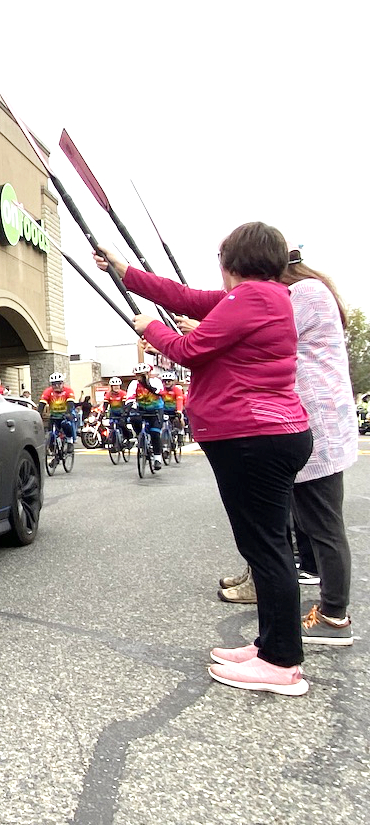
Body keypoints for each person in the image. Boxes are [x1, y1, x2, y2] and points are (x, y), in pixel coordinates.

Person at [95, 221, 312, 696]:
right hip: (267, 433)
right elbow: (186, 298)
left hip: (254, 435)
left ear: (232, 262)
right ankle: (271, 645)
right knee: (267, 546)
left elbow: (189, 349)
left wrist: (148, 327)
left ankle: (281, 662)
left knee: (266, 549)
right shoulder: (263, 297)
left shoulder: (253, 298)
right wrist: (123, 268)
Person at [218, 247, 357, 645]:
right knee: (300, 520)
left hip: (315, 422)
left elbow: (262, 333)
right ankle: (318, 603)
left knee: (323, 525)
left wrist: (206, 331)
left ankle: (334, 615)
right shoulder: (309, 292)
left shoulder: (307, 294)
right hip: (307, 419)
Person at [125, 363, 165, 471]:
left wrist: (147, 385)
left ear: (148, 373)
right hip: (142, 409)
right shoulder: (134, 384)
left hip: (156, 410)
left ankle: (157, 458)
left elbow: (160, 392)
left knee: (155, 433)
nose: (140, 377)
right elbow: (130, 398)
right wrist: (127, 410)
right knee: (133, 418)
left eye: (142, 375)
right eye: (138, 375)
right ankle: (140, 436)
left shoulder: (156, 381)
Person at [38, 372, 76, 449]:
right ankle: (55, 454)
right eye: (54, 384)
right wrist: (39, 413)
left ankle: (70, 442)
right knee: (51, 433)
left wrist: (68, 413)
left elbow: (70, 403)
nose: (56, 386)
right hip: (54, 414)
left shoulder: (68, 391)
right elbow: (42, 403)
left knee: (66, 424)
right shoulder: (48, 391)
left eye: (59, 384)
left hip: (66, 413)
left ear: (63, 383)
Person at [161, 370, 185, 456]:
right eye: (165, 381)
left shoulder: (177, 390)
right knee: (163, 428)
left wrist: (179, 411)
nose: (167, 382)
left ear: (173, 382)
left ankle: (180, 433)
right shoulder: (161, 390)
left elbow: (179, 401)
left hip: (175, 410)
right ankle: (165, 448)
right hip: (164, 411)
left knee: (179, 419)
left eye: (169, 381)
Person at [99, 376, 129, 444]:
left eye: (117, 386)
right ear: (111, 387)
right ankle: (113, 442)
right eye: (114, 386)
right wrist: (102, 413)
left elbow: (125, 405)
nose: (116, 387)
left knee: (122, 425)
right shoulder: (108, 395)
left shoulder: (123, 393)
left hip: (122, 413)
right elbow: (105, 405)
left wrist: (124, 414)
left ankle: (126, 439)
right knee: (112, 427)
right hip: (113, 413)